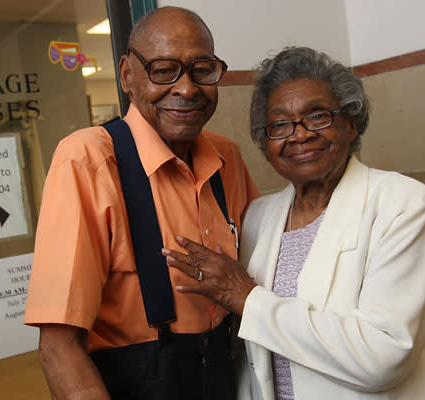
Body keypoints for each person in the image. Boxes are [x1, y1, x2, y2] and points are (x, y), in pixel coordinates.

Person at [163, 47, 425, 399]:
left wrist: (245, 296)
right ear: (266, 140)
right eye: (279, 125)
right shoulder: (259, 216)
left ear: (351, 123)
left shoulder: (403, 203)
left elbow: (384, 357)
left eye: (318, 116)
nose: (300, 134)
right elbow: (257, 356)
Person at [25, 6, 258, 400]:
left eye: (202, 69)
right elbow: (58, 348)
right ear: (126, 75)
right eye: (163, 70)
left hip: (223, 372)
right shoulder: (89, 159)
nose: (186, 89)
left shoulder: (227, 157)